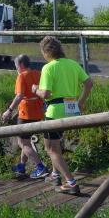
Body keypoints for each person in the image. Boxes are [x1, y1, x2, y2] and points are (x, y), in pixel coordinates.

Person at [32, 36, 93, 194]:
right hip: (71, 108)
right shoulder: (73, 64)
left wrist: (35, 90)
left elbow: (45, 93)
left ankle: (71, 182)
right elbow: (89, 83)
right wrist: (81, 102)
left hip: (55, 111)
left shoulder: (48, 67)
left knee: (51, 149)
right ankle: (54, 174)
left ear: (46, 52)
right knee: (55, 144)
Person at [1, 54, 49, 179]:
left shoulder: (21, 76)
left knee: (22, 142)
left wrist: (9, 110)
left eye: (16, 65)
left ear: (21, 65)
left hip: (26, 113)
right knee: (26, 140)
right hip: (38, 111)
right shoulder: (38, 74)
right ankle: (21, 166)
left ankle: (40, 167)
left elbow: (19, 95)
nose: (16, 68)